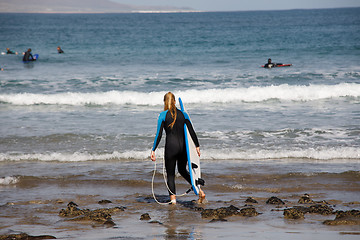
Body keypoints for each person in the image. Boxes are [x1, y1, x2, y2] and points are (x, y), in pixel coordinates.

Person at [150, 92, 205, 204]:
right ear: (175, 101)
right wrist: (197, 146)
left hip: (171, 148)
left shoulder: (162, 115)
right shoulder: (184, 114)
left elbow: (159, 135)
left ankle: (173, 201)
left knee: (170, 175)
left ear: (164, 102)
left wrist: (153, 150)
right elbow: (191, 131)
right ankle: (200, 191)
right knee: (182, 170)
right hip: (183, 149)